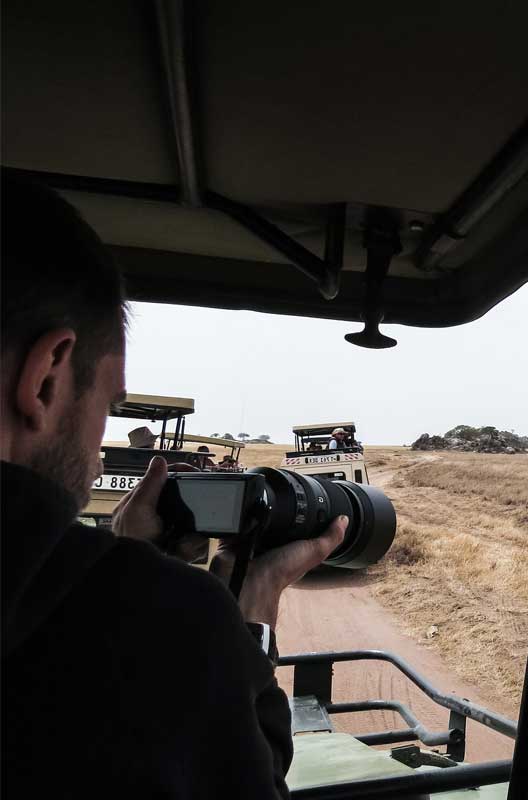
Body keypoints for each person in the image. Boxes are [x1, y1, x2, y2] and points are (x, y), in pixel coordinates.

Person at [1, 173, 345, 797]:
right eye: (105, 404)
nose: (99, 450)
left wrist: (120, 553)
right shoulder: (172, 624)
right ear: (47, 379)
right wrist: (250, 610)